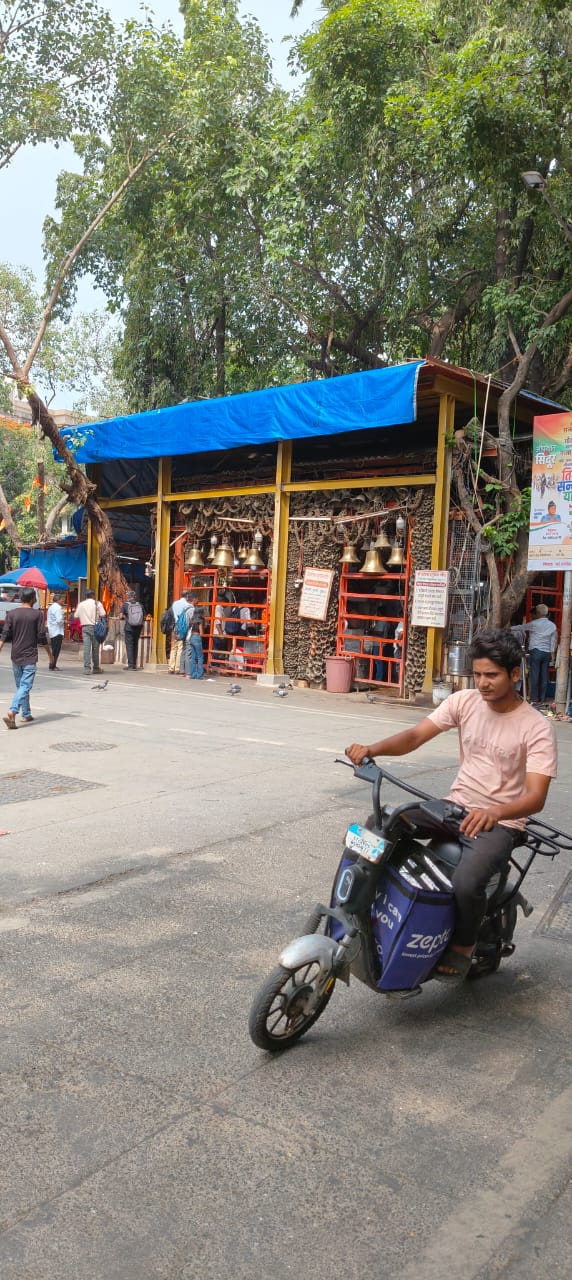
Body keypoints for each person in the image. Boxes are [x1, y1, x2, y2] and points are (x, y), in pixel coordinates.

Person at [346, 629, 557, 982]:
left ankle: (463, 944)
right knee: (382, 824)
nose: (483, 683)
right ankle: (365, 903)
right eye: (478, 674)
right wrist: (372, 749)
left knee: (468, 882)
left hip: (501, 823)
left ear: (514, 674)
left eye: (492, 675)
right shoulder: (465, 702)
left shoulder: (536, 728)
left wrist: (495, 812)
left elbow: (536, 797)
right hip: (454, 807)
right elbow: (415, 736)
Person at [0, 587, 52, 728]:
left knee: (21, 687)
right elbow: (42, 636)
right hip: (29, 656)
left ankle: (26, 714)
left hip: (15, 655)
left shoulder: (12, 614)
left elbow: (4, 634)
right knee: (25, 686)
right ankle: (13, 710)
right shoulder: (37, 615)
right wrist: (50, 655)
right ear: (32, 599)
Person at [523, 603, 558, 706]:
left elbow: (521, 628)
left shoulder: (534, 624)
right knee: (544, 675)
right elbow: (553, 641)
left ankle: (534, 698)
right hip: (546, 652)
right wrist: (552, 653)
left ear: (537, 614)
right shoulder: (552, 625)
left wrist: (518, 624)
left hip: (535, 651)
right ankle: (542, 698)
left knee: (535, 675)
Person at [74, 589, 106, 674]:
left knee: (86, 648)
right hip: (95, 628)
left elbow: (76, 616)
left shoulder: (81, 604)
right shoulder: (97, 603)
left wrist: (84, 616)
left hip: (85, 628)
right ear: (93, 595)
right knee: (95, 649)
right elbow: (103, 614)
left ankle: (87, 668)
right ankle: (96, 668)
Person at [169, 589, 194, 674]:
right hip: (183, 628)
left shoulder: (175, 603)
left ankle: (171, 667)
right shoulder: (188, 605)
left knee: (173, 647)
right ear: (187, 596)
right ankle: (177, 668)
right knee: (180, 647)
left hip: (175, 627)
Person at [120, 590, 144, 670]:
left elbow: (121, 616)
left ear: (128, 597)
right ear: (135, 597)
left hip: (129, 628)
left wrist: (124, 617)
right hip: (138, 628)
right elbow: (144, 616)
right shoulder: (140, 605)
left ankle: (130, 666)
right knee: (135, 645)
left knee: (129, 645)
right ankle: (134, 665)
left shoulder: (125, 605)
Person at [184, 592, 205, 679]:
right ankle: (199, 675)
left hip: (191, 637)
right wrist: (202, 635)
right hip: (197, 637)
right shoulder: (200, 620)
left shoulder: (192, 619)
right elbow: (201, 631)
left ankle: (192, 674)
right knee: (200, 657)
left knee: (193, 657)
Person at [46, 591, 65, 670]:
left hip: (52, 630)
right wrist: (64, 621)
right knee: (56, 650)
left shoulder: (51, 607)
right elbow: (59, 620)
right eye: (62, 599)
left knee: (54, 649)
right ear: (58, 600)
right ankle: (52, 665)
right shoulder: (57, 608)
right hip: (57, 631)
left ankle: (52, 664)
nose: (63, 601)